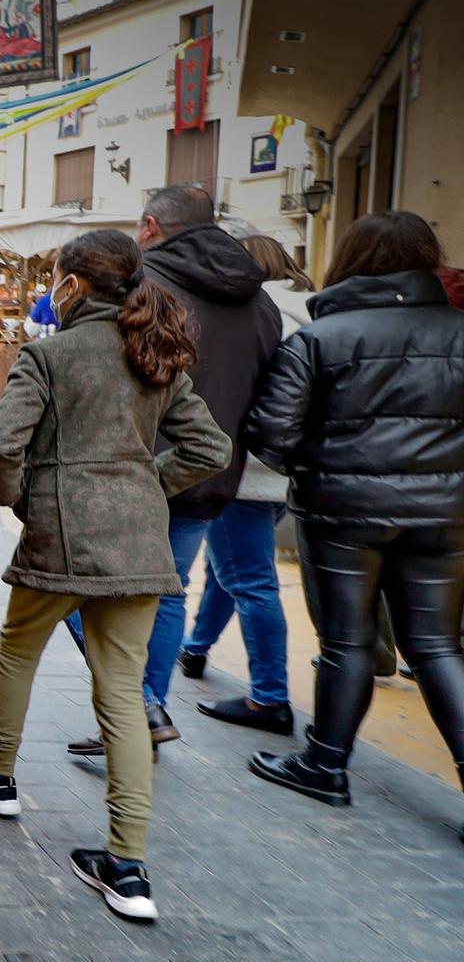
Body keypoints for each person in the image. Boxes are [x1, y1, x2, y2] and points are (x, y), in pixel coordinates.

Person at [0, 231, 229, 922]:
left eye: (55, 277)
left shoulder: (48, 355)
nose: (52, 286)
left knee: (20, 646)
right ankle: (127, 867)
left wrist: (13, 495)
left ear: (72, 285)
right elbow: (211, 448)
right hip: (139, 545)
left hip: (60, 537)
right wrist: (148, 485)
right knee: (122, 693)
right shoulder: (156, 354)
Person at [244, 212, 464, 810]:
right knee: (438, 647)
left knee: (347, 642)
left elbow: (270, 434)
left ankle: (325, 765)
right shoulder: (460, 331)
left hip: (341, 513)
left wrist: (324, 465)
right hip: (445, 514)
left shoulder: (320, 339)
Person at [65, 184, 281, 758]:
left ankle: (137, 706)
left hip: (127, 468)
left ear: (152, 225)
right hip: (209, 472)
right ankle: (142, 721)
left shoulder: (141, 284)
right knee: (165, 594)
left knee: (70, 586)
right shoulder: (261, 303)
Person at [180, 235, 313, 733]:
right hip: (283, 469)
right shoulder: (308, 309)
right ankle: (196, 649)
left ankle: (269, 698)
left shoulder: (254, 310)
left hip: (245, 467)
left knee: (250, 579)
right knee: (228, 564)